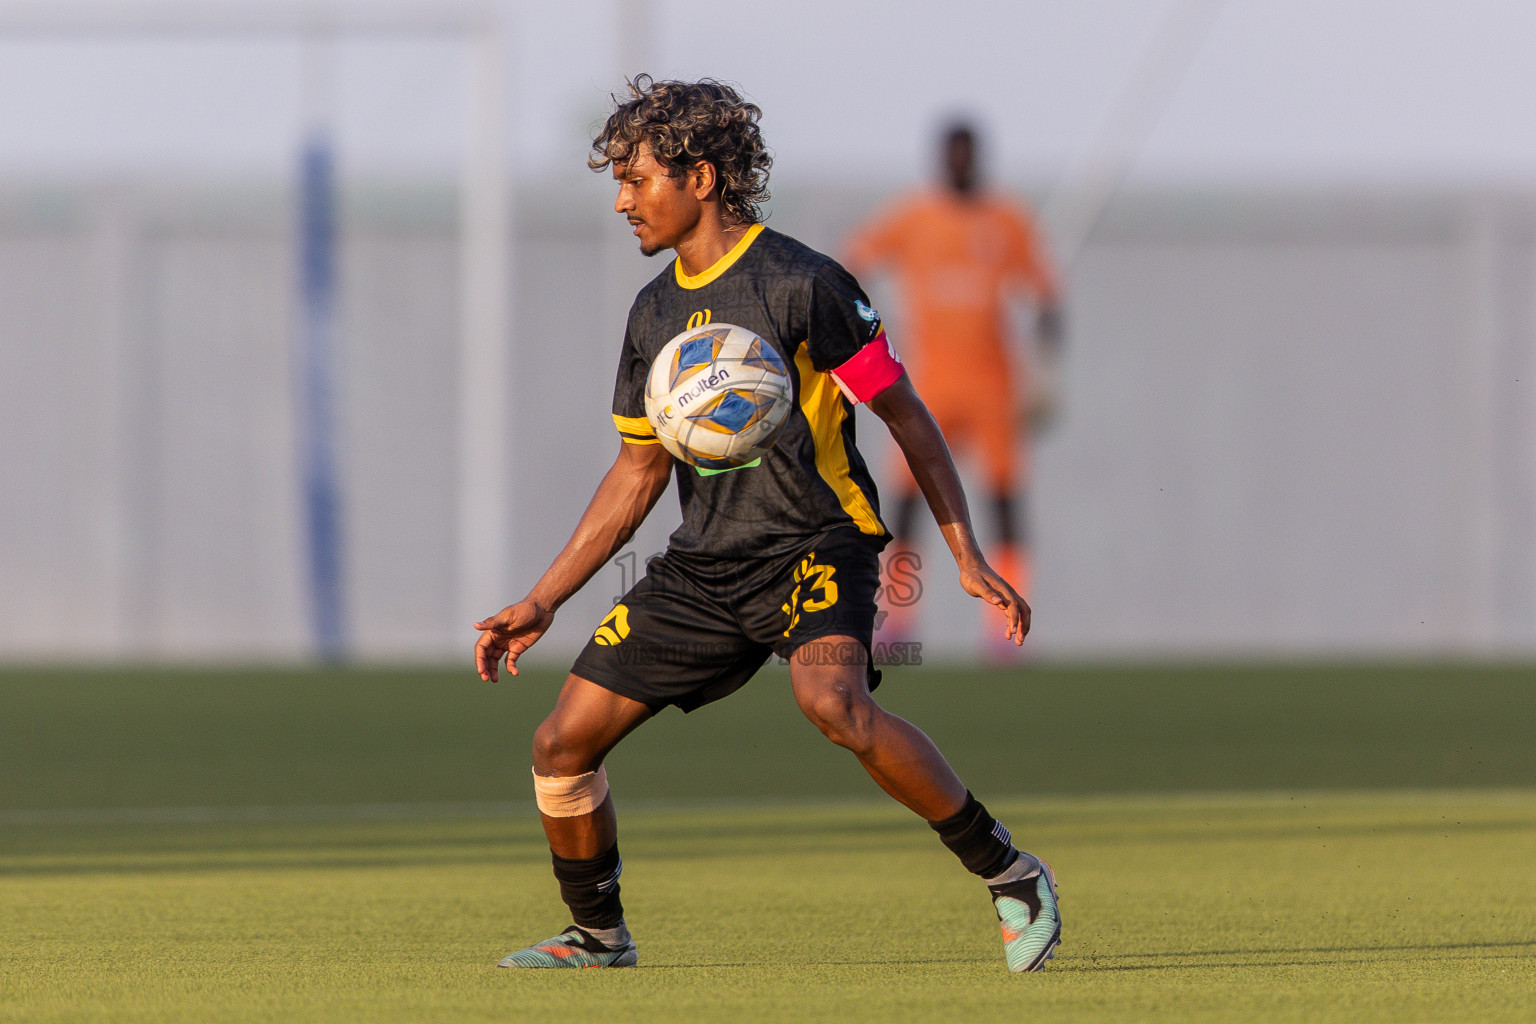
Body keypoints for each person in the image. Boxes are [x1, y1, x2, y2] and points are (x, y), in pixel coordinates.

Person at [472, 78, 1060, 974]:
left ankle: (1011, 874)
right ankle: (598, 934)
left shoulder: (805, 284)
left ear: (700, 177)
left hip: (818, 545)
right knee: (560, 743)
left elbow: (908, 417)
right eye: (618, 184)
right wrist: (542, 599)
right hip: (704, 568)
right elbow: (638, 472)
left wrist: (964, 553)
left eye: (636, 181)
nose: (623, 202)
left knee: (834, 703)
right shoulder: (653, 314)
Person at [845, 122, 1062, 655]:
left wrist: (1047, 372)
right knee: (907, 501)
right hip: (929, 385)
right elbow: (849, 267)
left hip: (994, 385)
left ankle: (1004, 626)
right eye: (952, 154)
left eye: (968, 154)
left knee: (1004, 499)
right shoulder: (915, 217)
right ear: (941, 158)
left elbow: (1047, 296)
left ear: (978, 158)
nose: (960, 163)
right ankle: (897, 617)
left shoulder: (1006, 220)